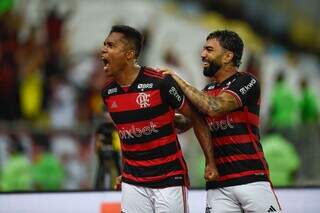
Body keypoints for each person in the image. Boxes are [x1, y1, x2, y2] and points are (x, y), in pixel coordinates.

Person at [100, 25, 218, 213]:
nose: (103, 49)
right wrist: (125, 171)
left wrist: (210, 161)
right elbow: (127, 136)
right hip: (134, 180)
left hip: (169, 178)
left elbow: (196, 117)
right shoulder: (108, 93)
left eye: (111, 45)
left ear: (129, 54)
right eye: (105, 44)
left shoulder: (160, 82)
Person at [163, 30, 281, 212]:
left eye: (209, 50)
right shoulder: (208, 89)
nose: (203, 54)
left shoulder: (247, 81)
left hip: (251, 178)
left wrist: (179, 82)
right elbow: (186, 122)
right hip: (218, 183)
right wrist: (154, 115)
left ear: (227, 56)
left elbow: (215, 107)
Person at [94, 122, 121, 190]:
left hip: (114, 150)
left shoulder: (114, 127)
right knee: (101, 169)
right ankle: (97, 187)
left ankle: (119, 186)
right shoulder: (102, 127)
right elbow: (97, 141)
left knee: (117, 168)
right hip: (105, 150)